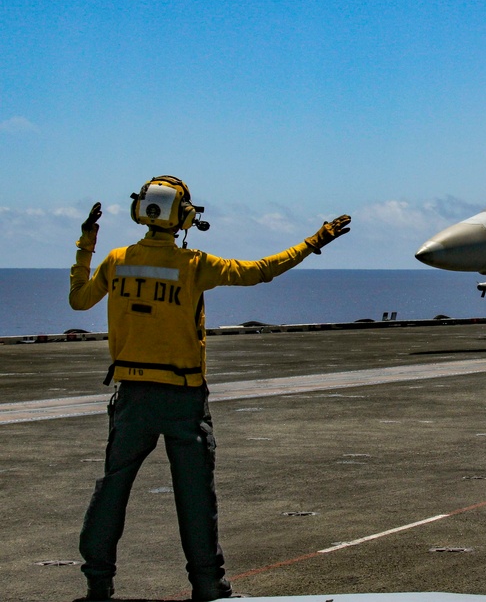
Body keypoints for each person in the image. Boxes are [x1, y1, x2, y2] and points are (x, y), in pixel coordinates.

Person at [69, 175, 350, 601]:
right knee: (196, 498)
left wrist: (86, 243)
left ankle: (97, 581)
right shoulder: (193, 264)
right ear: (182, 215)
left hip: (132, 397)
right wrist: (314, 241)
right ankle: (209, 588)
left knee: (112, 488)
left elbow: (78, 301)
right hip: (182, 397)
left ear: (141, 211)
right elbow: (260, 271)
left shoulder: (115, 260)